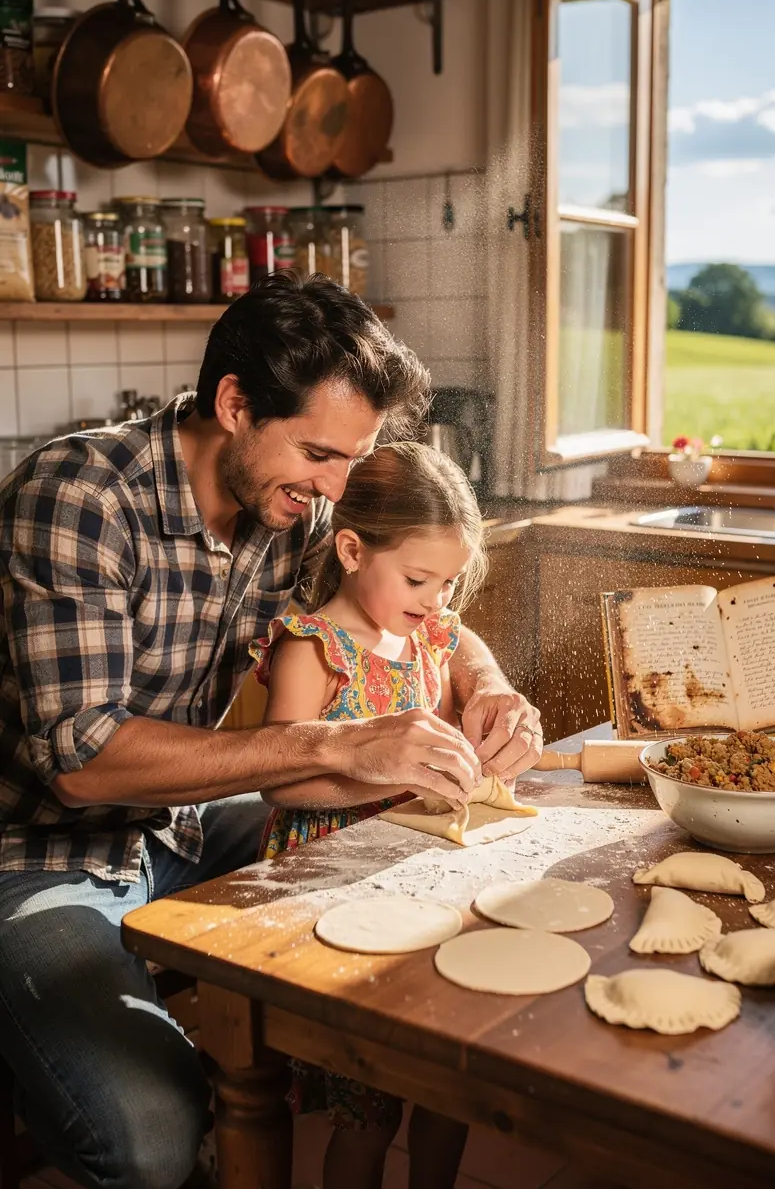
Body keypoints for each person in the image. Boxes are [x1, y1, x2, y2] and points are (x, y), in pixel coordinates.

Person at [0, 271, 543, 1189]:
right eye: (320, 454)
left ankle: (364, 1077)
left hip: (175, 822)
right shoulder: (80, 497)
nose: (337, 487)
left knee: (403, 843)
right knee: (150, 1140)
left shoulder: (291, 508)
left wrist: (488, 685)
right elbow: (84, 763)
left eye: (352, 459)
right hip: (37, 852)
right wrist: (335, 743)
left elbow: (425, 614)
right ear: (234, 404)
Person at [252, 441, 490, 1189]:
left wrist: (491, 709)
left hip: (420, 886)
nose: (436, 600)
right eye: (419, 579)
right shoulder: (314, 651)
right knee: (370, 1104)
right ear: (351, 550)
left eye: (448, 582)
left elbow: (464, 647)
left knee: (447, 1092)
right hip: (332, 888)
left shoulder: (427, 633)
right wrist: (384, 786)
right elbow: (282, 785)